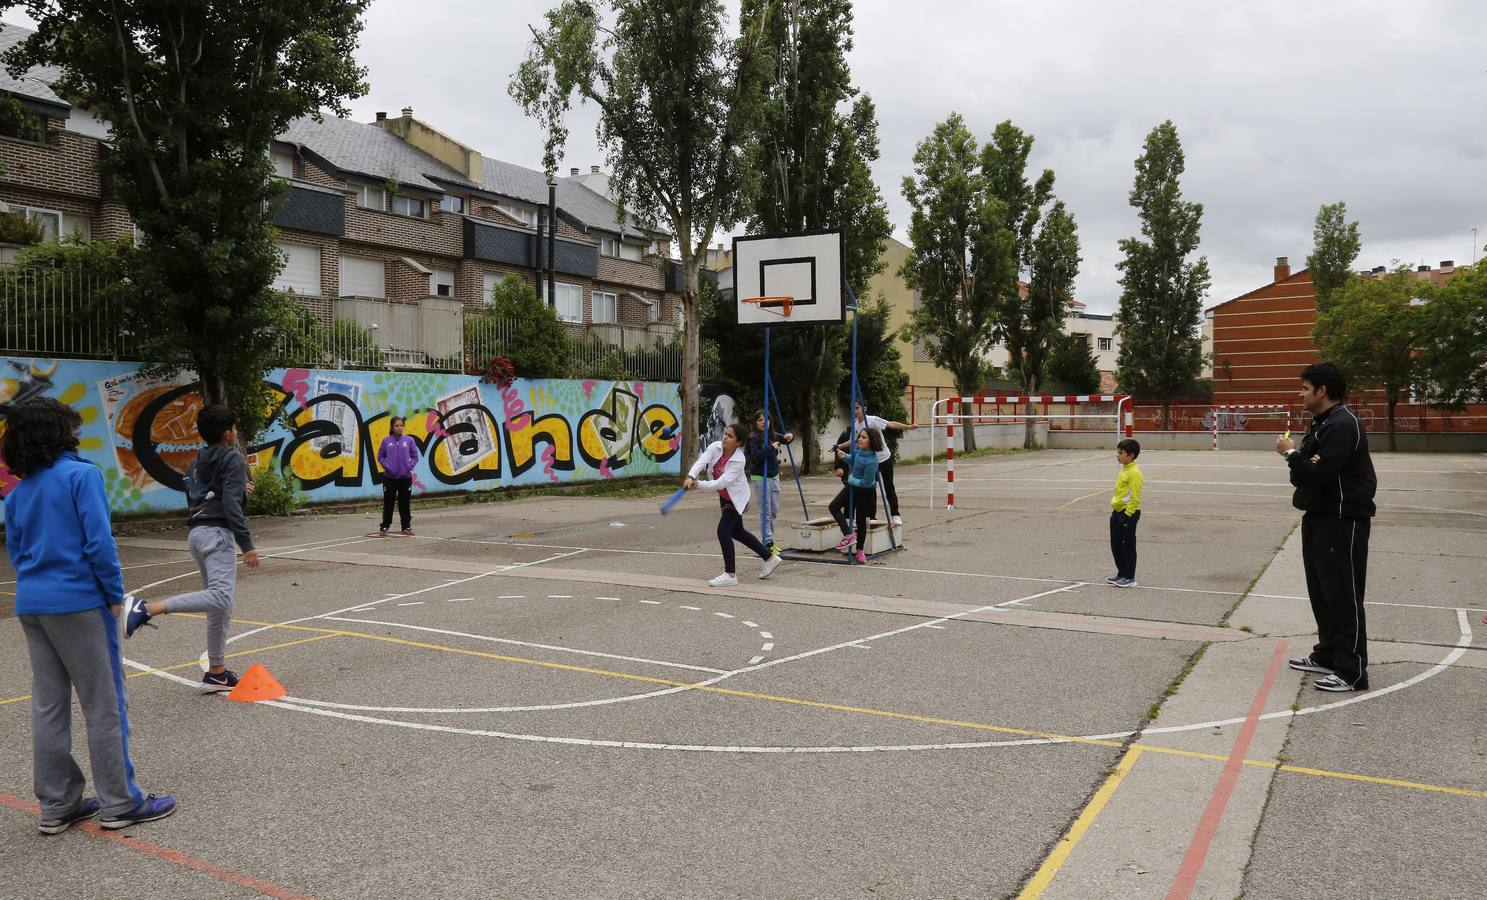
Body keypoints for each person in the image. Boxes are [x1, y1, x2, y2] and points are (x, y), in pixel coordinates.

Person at [2, 398, 176, 832]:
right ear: (60, 432)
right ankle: (121, 802)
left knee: (48, 705)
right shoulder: (82, 476)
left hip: (32, 603)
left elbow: (19, 552)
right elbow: (99, 544)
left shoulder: (18, 492)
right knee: (104, 704)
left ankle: (58, 803)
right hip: (79, 602)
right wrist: (114, 596)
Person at [125, 404, 259, 693]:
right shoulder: (233, 458)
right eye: (234, 429)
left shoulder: (197, 461)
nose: (235, 433)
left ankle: (217, 672)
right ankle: (146, 608)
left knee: (220, 606)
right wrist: (246, 544)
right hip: (218, 534)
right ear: (227, 433)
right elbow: (230, 505)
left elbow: (204, 496)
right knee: (221, 597)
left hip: (197, 534)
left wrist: (237, 492)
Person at [1276, 362, 1376, 692]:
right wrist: (1302, 463)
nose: (1300, 393)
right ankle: (1328, 653)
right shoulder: (1323, 423)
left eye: (1305, 388)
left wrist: (1292, 455)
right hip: (1319, 515)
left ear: (1322, 391)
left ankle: (1352, 670)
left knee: (1343, 594)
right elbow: (1304, 475)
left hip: (1342, 519)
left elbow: (1319, 474)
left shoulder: (1343, 424)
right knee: (1321, 591)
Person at [685, 422, 784, 586]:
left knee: (723, 531)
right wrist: (691, 475)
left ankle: (730, 575)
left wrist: (698, 484)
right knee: (737, 532)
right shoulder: (715, 447)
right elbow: (701, 461)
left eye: (730, 436)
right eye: (725, 433)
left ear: (738, 442)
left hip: (737, 498)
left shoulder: (739, 460)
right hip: (725, 497)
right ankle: (769, 557)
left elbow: (721, 483)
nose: (724, 437)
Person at [836, 402, 916, 526]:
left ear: (864, 408)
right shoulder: (856, 425)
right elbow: (854, 441)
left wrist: (908, 427)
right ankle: (870, 516)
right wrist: (838, 446)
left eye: (857, 408)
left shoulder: (872, 420)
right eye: (852, 409)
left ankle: (895, 514)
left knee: (889, 487)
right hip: (870, 462)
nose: (854, 411)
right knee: (870, 488)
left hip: (883, 458)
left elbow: (891, 424)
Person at [829, 427, 883, 564]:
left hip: (865, 492)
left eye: (864, 437)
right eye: (860, 436)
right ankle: (848, 534)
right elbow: (853, 461)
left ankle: (860, 551)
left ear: (872, 441)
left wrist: (851, 479)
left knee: (860, 521)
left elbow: (866, 482)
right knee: (833, 506)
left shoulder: (872, 461)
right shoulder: (859, 451)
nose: (859, 439)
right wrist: (844, 457)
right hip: (852, 487)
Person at [745, 409, 793, 554]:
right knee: (765, 512)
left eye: (766, 419)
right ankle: (767, 543)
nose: (763, 422)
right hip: (761, 478)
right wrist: (770, 448)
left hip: (774, 476)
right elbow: (755, 456)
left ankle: (770, 541)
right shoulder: (753, 437)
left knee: (773, 511)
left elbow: (785, 439)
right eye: (760, 420)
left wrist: (791, 436)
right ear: (755, 422)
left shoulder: (772, 435)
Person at [1107, 438, 1144, 588]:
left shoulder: (1134, 473)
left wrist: (1127, 515)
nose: (1117, 455)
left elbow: (1135, 497)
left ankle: (1130, 577)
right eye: (1118, 452)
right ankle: (1121, 573)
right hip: (1117, 511)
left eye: (1120, 453)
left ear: (1130, 455)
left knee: (1128, 545)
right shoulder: (1124, 469)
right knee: (1115, 544)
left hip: (1128, 513)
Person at [377, 415, 420, 536]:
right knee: (388, 503)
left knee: (404, 503)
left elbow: (415, 456)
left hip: (405, 478)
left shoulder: (409, 440)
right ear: (392, 427)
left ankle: (406, 527)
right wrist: (387, 466)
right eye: (397, 426)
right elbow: (380, 456)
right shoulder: (386, 441)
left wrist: (409, 467)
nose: (399, 428)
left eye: (401, 425)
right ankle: (385, 526)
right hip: (389, 478)